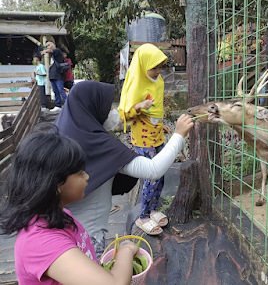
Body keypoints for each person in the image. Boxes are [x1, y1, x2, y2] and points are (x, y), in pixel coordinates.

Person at [54, 81, 193, 257]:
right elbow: (153, 170)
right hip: (88, 239)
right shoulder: (99, 144)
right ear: (92, 107)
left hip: (62, 237)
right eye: (107, 107)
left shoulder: (62, 134)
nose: (113, 111)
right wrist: (179, 135)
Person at [0, 130, 140, 285]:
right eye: (80, 173)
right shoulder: (41, 244)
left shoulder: (61, 214)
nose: (87, 176)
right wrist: (125, 251)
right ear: (56, 184)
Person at [118, 43, 175, 236]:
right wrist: (140, 105)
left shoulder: (157, 81)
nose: (159, 71)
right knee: (151, 176)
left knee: (162, 172)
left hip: (156, 133)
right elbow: (125, 114)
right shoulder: (136, 83)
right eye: (155, 67)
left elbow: (156, 111)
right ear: (143, 66)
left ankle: (153, 209)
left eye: (161, 67)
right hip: (143, 139)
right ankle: (143, 216)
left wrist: (161, 125)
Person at [40, 40, 67, 112]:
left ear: (53, 44)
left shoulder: (57, 50)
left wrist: (45, 51)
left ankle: (67, 104)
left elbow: (52, 51)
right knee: (55, 91)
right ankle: (58, 105)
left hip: (58, 75)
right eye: (47, 46)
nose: (48, 47)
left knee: (61, 90)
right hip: (52, 75)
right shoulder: (51, 56)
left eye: (49, 45)